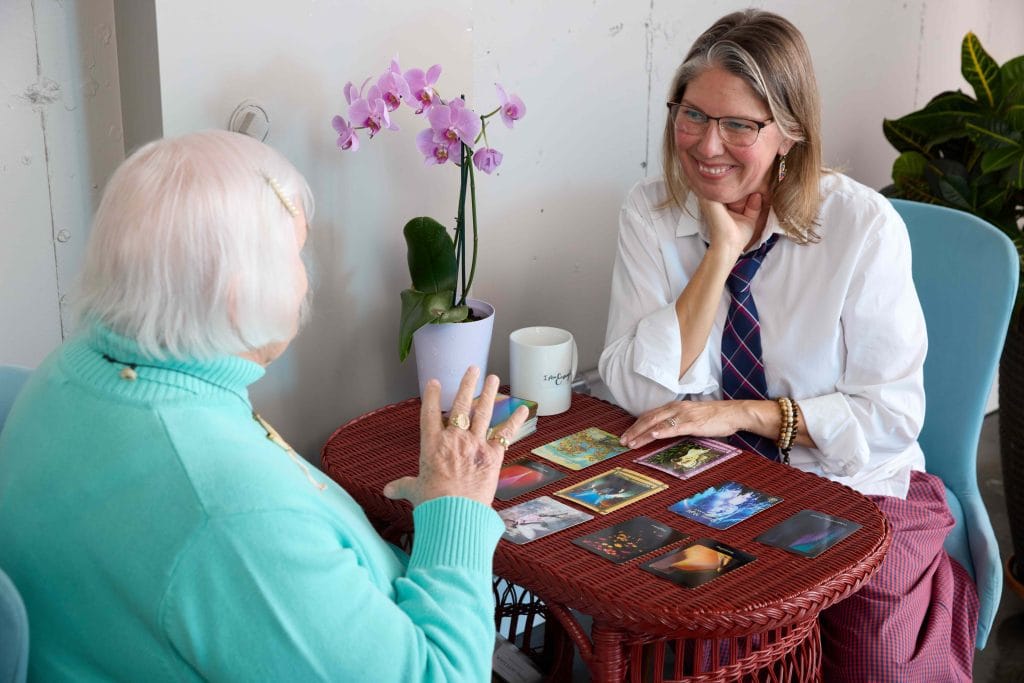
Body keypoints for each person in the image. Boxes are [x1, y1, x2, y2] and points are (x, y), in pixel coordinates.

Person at [0, 130, 526, 681]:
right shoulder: (229, 512)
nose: (307, 275)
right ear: (239, 292)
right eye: (297, 252)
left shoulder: (71, 369)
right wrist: (456, 507)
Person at [598, 10, 977, 681]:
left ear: (790, 134)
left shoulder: (863, 228)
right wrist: (720, 255)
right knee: (692, 651)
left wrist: (745, 412)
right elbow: (639, 390)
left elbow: (890, 418)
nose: (706, 144)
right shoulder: (650, 209)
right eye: (692, 114)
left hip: (851, 484)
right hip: (713, 484)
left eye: (739, 124)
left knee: (876, 664)